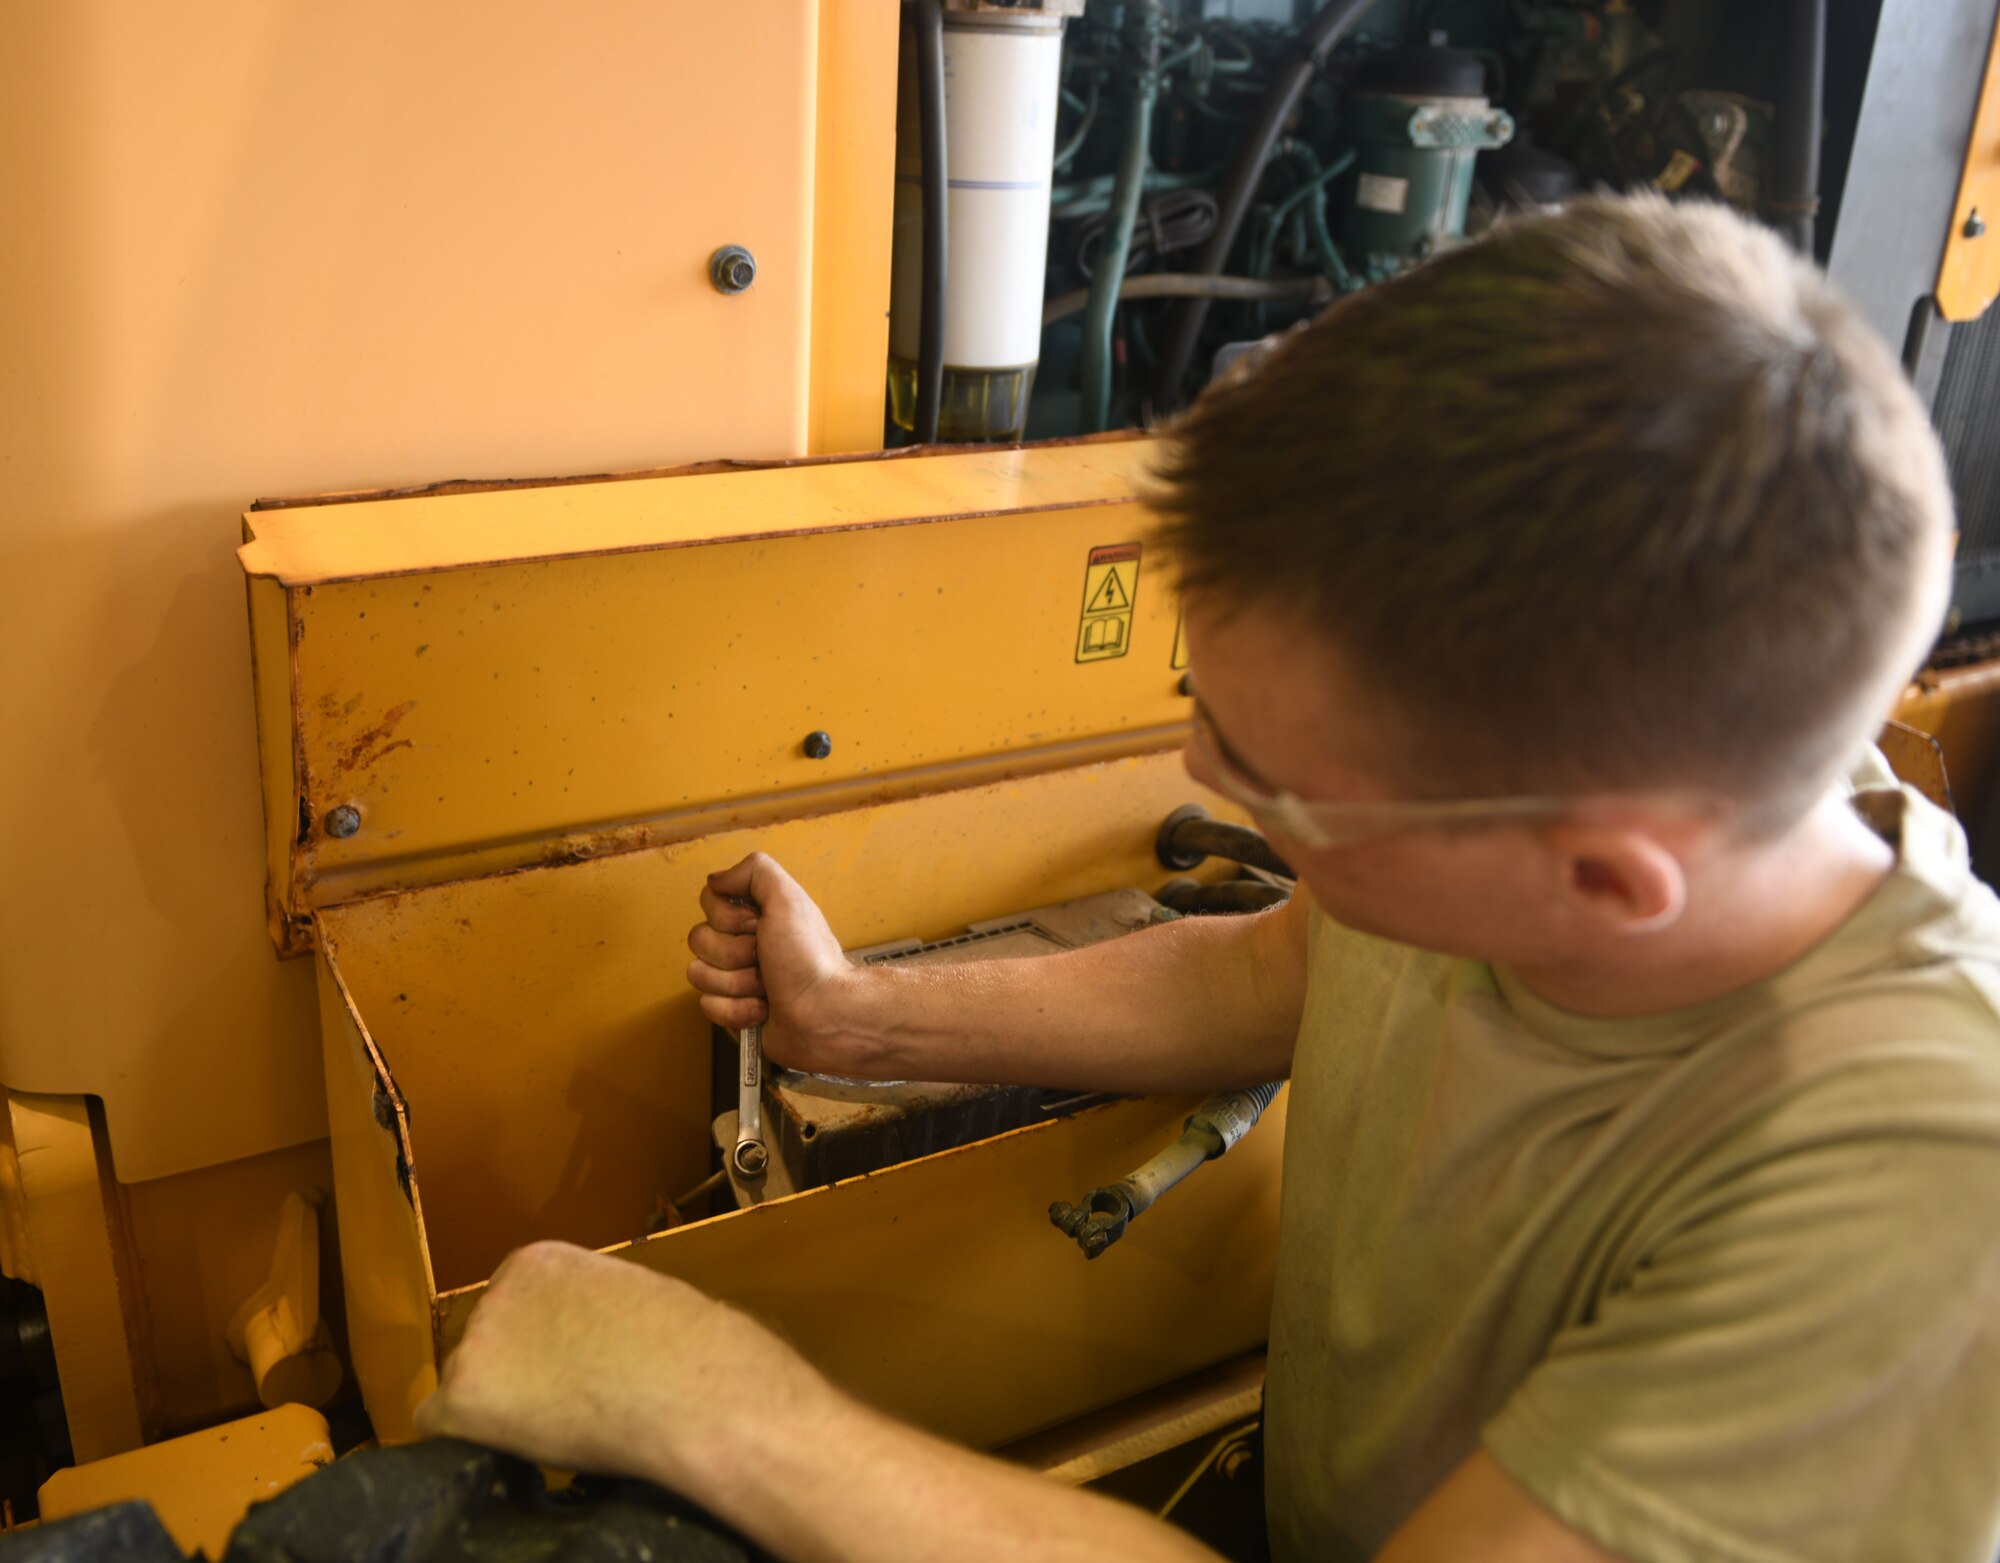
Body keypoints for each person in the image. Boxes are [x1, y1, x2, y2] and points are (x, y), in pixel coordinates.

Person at [414, 192, 2000, 1563]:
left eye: (1279, 777)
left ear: (1603, 880)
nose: (1202, 778)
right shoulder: (1620, 785)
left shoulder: (1913, 1209)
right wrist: (859, 1023)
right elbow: (1278, 974)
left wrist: (715, 1404)